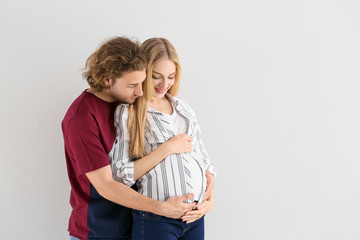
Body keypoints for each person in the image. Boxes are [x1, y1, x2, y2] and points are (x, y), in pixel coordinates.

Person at [61, 37, 199, 240]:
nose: (141, 91)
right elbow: (106, 185)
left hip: (139, 225)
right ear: (107, 80)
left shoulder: (132, 105)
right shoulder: (82, 117)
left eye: (143, 82)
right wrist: (162, 209)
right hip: (99, 233)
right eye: (133, 85)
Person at [110, 38, 216, 240]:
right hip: (157, 218)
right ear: (144, 73)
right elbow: (119, 173)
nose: (164, 85)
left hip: (194, 218)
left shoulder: (183, 108)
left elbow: (205, 162)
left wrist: (210, 201)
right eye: (156, 77)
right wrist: (167, 148)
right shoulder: (130, 111)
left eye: (171, 77)